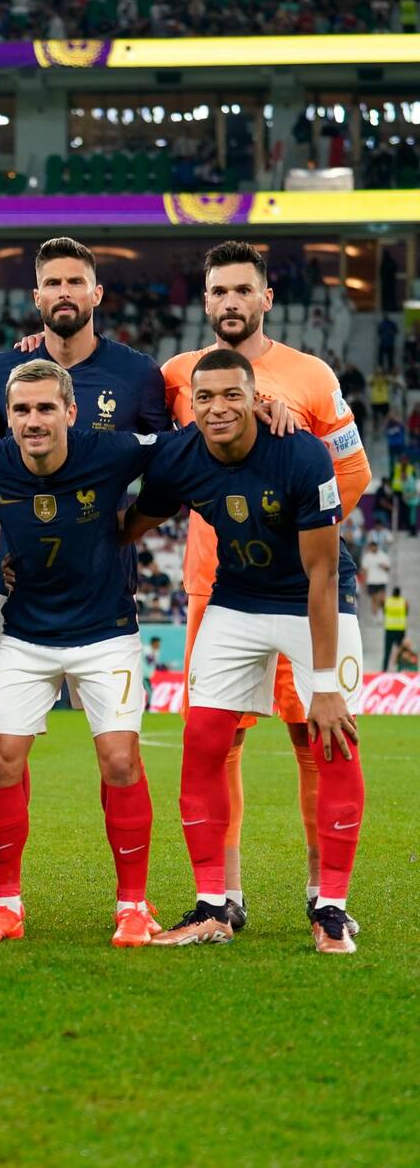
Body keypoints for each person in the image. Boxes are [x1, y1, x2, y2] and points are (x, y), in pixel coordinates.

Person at [0, 235, 170, 932]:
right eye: (52, 283)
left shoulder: (136, 374)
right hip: (17, 594)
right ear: (37, 296)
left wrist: (130, 528)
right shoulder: (5, 369)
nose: (64, 293)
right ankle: (0, 896)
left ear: (96, 293)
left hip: (103, 593)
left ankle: (133, 902)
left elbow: (170, 460)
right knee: (0, 750)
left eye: (76, 281)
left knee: (117, 754)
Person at [123, 348, 364, 954]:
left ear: (256, 399)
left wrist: (325, 686)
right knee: (204, 739)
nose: (217, 408)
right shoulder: (179, 456)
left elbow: (322, 574)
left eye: (232, 395)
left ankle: (331, 909)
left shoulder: (301, 454)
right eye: (204, 397)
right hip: (236, 599)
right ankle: (213, 906)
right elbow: (131, 525)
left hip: (312, 601)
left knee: (332, 740)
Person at [160, 241, 371, 930]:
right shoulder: (176, 376)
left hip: (298, 588)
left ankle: (320, 892)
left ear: (266, 299)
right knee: (219, 741)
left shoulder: (311, 376)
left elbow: (353, 473)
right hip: (213, 586)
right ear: (206, 300)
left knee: (314, 735)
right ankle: (226, 896)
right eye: (219, 291)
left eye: (242, 290)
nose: (230, 302)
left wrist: (295, 530)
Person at [360, 540, 391, 620]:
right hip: (371, 581)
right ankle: (374, 615)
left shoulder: (383, 556)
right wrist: (364, 583)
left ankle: (380, 613)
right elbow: (365, 570)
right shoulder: (367, 557)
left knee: (381, 598)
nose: (372, 548)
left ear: (376, 547)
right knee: (373, 599)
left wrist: (383, 566)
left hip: (381, 580)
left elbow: (388, 568)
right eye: (371, 547)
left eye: (374, 547)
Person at [383, 587, 408, 671]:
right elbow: (406, 613)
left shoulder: (388, 601)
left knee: (387, 651)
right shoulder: (403, 602)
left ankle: (384, 669)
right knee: (401, 651)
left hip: (389, 629)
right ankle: (400, 669)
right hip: (400, 629)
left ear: (392, 593)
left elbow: (384, 611)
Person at [142, 636, 161, 706]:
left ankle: (145, 706)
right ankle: (147, 707)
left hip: (147, 676)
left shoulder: (156, 652)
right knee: (149, 692)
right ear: (153, 643)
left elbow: (154, 664)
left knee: (147, 692)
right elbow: (149, 661)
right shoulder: (147, 650)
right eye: (158, 644)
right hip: (142, 676)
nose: (159, 645)